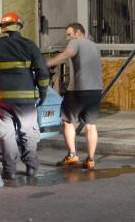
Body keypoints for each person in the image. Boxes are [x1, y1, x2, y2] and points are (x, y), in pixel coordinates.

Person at [0, 12, 50, 180]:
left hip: (1, 101)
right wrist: (43, 93)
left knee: (6, 135)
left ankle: (9, 170)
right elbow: (42, 71)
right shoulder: (29, 46)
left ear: (2, 28)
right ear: (19, 26)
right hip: (26, 101)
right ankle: (31, 167)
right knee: (29, 132)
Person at [46, 22, 102, 170]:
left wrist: (45, 64)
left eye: (69, 34)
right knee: (91, 125)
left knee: (67, 122)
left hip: (78, 90)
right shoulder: (94, 46)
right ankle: (90, 160)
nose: (68, 38)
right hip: (95, 90)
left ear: (78, 33)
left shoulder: (76, 42)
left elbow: (66, 55)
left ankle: (72, 154)